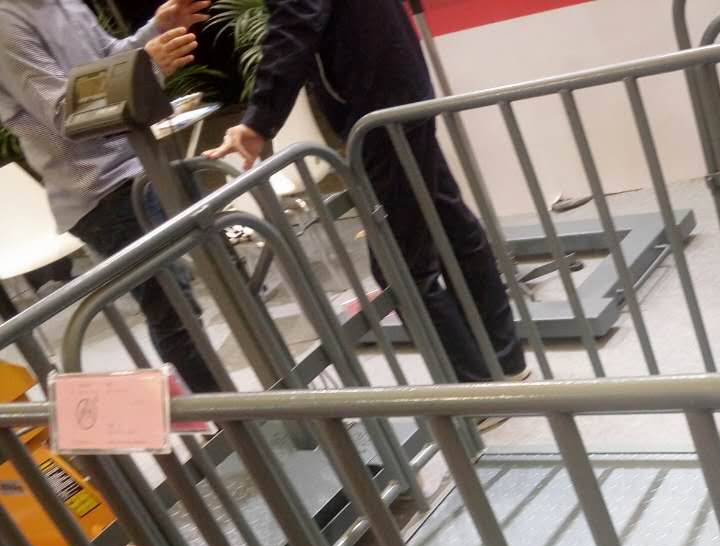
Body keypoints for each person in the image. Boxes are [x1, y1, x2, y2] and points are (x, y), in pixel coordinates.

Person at [205, 0, 526, 386]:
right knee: (448, 225)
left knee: (400, 263)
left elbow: (296, 18)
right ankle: (504, 364)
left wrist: (259, 119)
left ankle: (474, 388)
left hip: (376, 100)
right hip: (393, 87)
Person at [0, 0, 219, 392]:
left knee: (220, 276)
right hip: (100, 191)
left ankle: (268, 406)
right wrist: (147, 65)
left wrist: (154, 30)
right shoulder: (5, 22)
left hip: (142, 166)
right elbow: (66, 112)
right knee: (175, 312)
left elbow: (108, 60)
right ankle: (240, 422)